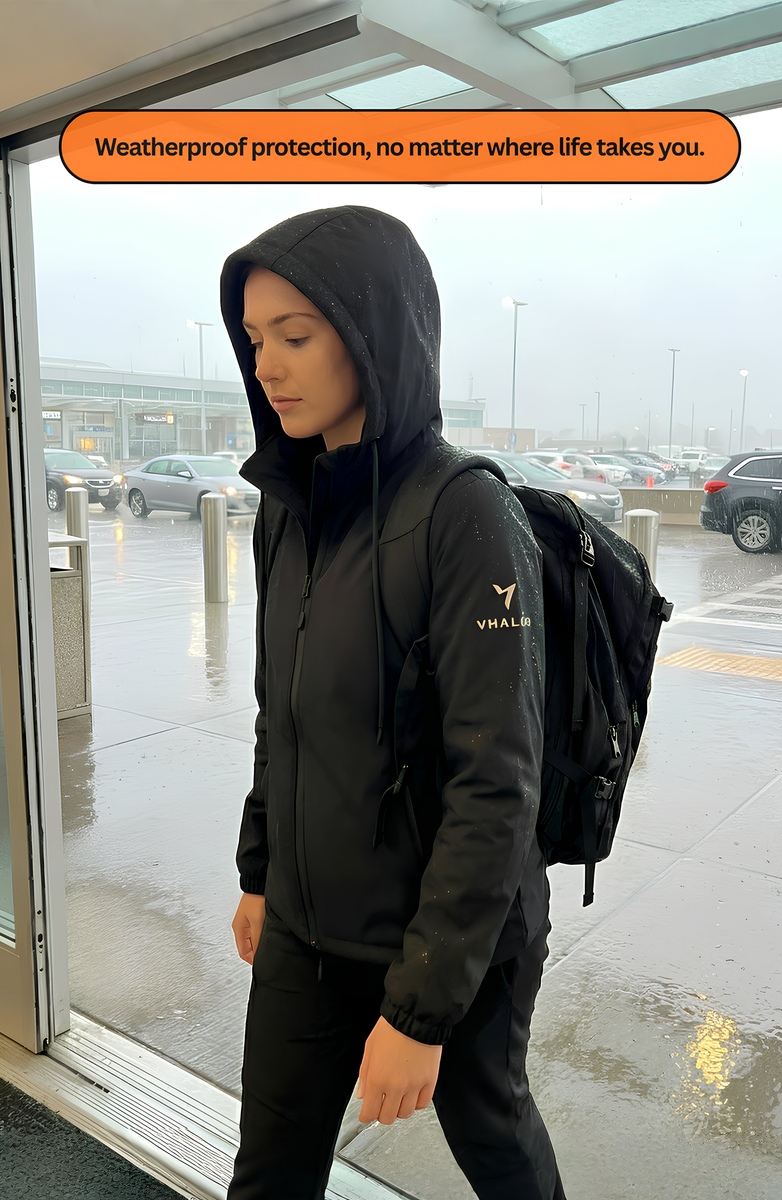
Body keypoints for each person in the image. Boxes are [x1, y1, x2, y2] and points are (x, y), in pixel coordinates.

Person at [220, 205, 566, 1200]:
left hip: (451, 938)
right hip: (306, 924)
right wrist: (260, 871)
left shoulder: (465, 512)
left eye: (295, 336)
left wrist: (419, 1011)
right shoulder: (287, 509)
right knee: (268, 1172)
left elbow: (495, 783)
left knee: (495, 1144)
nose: (267, 366)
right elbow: (280, 717)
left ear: (372, 331)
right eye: (255, 339)